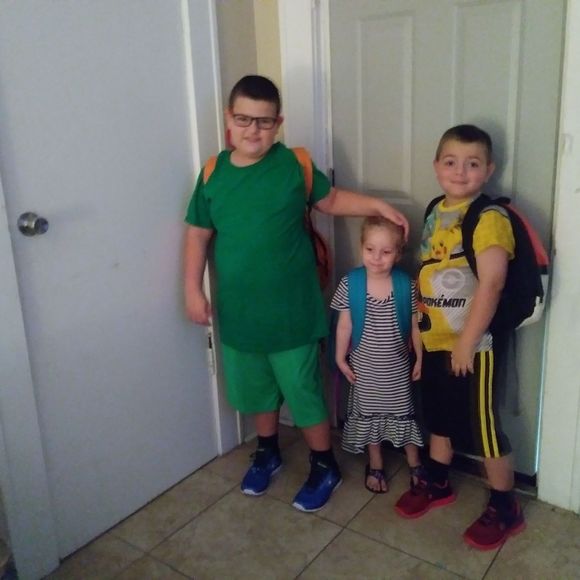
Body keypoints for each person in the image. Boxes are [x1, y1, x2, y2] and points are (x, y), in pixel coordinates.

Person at [183, 75, 409, 512]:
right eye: (244, 119)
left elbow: (332, 200)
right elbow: (197, 234)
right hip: (240, 315)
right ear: (229, 118)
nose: (253, 130)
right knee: (257, 392)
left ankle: (324, 464)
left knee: (304, 392)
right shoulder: (212, 174)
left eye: (264, 121)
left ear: (279, 123)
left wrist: (377, 206)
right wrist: (192, 289)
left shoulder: (293, 165)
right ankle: (267, 451)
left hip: (293, 314)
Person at [394, 124, 525, 550]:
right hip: (434, 338)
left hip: (474, 345)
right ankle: (437, 482)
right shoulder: (436, 209)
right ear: (436, 167)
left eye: (472, 164)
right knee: (438, 413)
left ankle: (505, 505)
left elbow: (492, 282)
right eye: (451, 162)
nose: (460, 172)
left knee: (482, 425)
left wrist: (468, 340)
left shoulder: (489, 218)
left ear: (489, 170)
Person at [331, 216, 424, 494]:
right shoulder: (351, 283)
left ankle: (415, 462)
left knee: (403, 413)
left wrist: (420, 359)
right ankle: (376, 463)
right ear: (361, 247)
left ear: (398, 254)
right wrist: (340, 359)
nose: (377, 258)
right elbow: (344, 325)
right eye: (370, 249)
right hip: (364, 368)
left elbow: (417, 326)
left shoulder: (407, 285)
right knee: (369, 415)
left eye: (386, 252)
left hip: (397, 367)